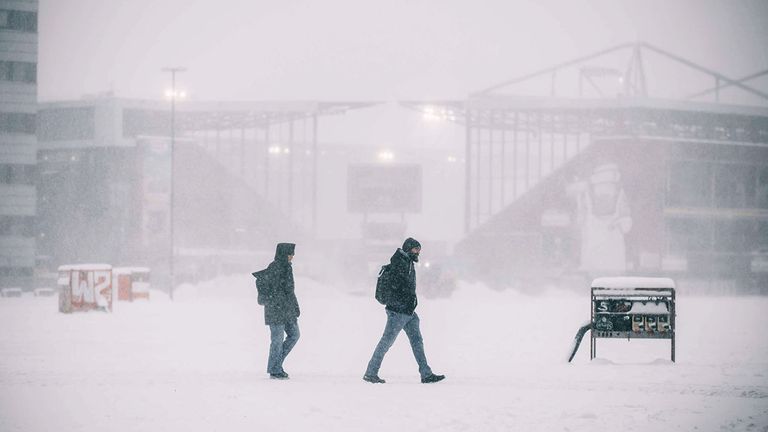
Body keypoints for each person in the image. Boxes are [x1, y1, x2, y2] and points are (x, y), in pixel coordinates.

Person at [363, 237, 445, 384]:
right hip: (398, 312)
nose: (418, 253)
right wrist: (403, 303)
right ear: (408, 248)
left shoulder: (407, 262)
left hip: (408, 312)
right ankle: (370, 373)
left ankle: (426, 374)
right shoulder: (399, 263)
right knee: (386, 342)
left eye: (419, 250)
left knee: (417, 341)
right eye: (415, 249)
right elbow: (397, 287)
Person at [255, 243, 301, 380]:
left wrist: (295, 306)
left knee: (295, 335)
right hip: (275, 311)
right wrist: (276, 301)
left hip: (286, 310)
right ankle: (275, 369)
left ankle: (275, 365)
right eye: (290, 253)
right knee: (277, 340)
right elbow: (275, 291)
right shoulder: (274, 268)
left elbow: (290, 291)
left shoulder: (287, 268)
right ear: (284, 254)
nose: (292, 256)